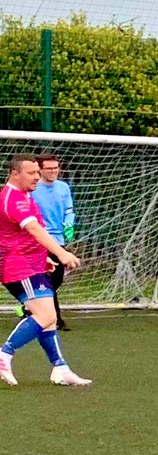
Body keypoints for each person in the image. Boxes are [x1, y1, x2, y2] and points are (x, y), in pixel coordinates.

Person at [0, 155, 90, 386]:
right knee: (45, 315)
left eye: (37, 173)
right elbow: (33, 229)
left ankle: (60, 368)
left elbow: (29, 232)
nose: (37, 177)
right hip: (19, 266)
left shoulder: (25, 195)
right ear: (15, 173)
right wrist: (60, 253)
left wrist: (44, 257)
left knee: (48, 320)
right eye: (31, 173)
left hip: (33, 263)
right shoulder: (13, 198)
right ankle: (4, 354)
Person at [31, 152, 76, 331]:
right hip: (39, 240)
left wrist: (69, 224)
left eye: (56, 168)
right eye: (48, 168)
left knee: (55, 280)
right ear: (40, 170)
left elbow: (69, 209)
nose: (53, 171)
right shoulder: (32, 189)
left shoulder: (64, 187)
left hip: (58, 241)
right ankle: (54, 319)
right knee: (46, 279)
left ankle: (30, 307)